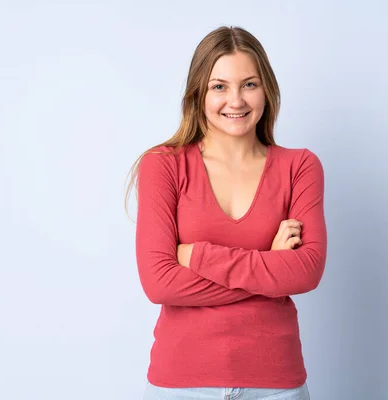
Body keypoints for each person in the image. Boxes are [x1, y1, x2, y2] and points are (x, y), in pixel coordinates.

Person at [125, 26, 327, 400]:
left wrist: (196, 255)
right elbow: (158, 283)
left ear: (267, 89)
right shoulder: (163, 165)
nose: (235, 100)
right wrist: (269, 266)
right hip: (181, 383)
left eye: (249, 84)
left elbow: (307, 270)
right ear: (198, 93)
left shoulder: (299, 166)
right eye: (220, 86)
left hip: (275, 384)